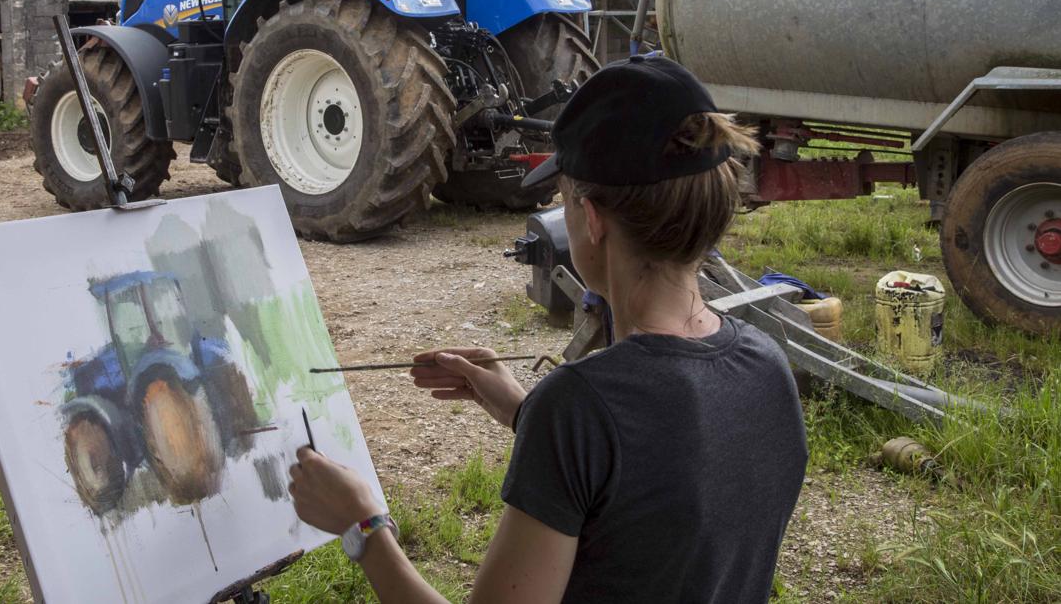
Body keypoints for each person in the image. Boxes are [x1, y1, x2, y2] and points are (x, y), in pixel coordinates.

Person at [288, 54, 809, 603]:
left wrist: (364, 527)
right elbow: (654, 478)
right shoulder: (766, 366)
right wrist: (524, 412)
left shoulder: (580, 409)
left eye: (562, 200)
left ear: (592, 220)